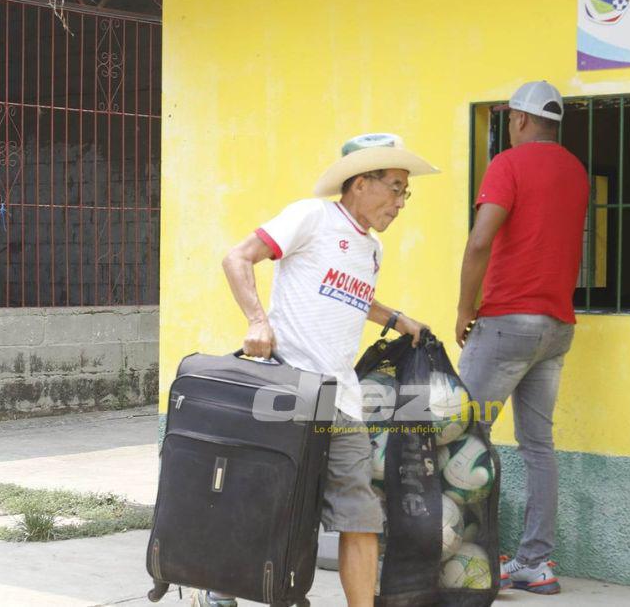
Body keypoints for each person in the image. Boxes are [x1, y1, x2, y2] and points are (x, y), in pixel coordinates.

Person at [197, 133, 438, 607]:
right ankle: (220, 591)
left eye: (405, 193)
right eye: (395, 188)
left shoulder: (372, 250)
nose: (400, 203)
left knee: (360, 515)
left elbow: (349, 294)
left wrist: (396, 319)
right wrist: (257, 321)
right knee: (271, 501)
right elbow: (237, 257)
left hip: (342, 399)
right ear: (360, 183)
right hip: (290, 387)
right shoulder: (311, 216)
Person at [454, 81, 589, 596]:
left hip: (507, 321)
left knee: (461, 437)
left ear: (520, 119)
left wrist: (465, 307)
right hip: (556, 327)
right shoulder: (575, 171)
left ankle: (463, 558)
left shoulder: (507, 165)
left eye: (509, 118)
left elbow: (480, 241)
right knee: (539, 447)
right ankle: (535, 562)